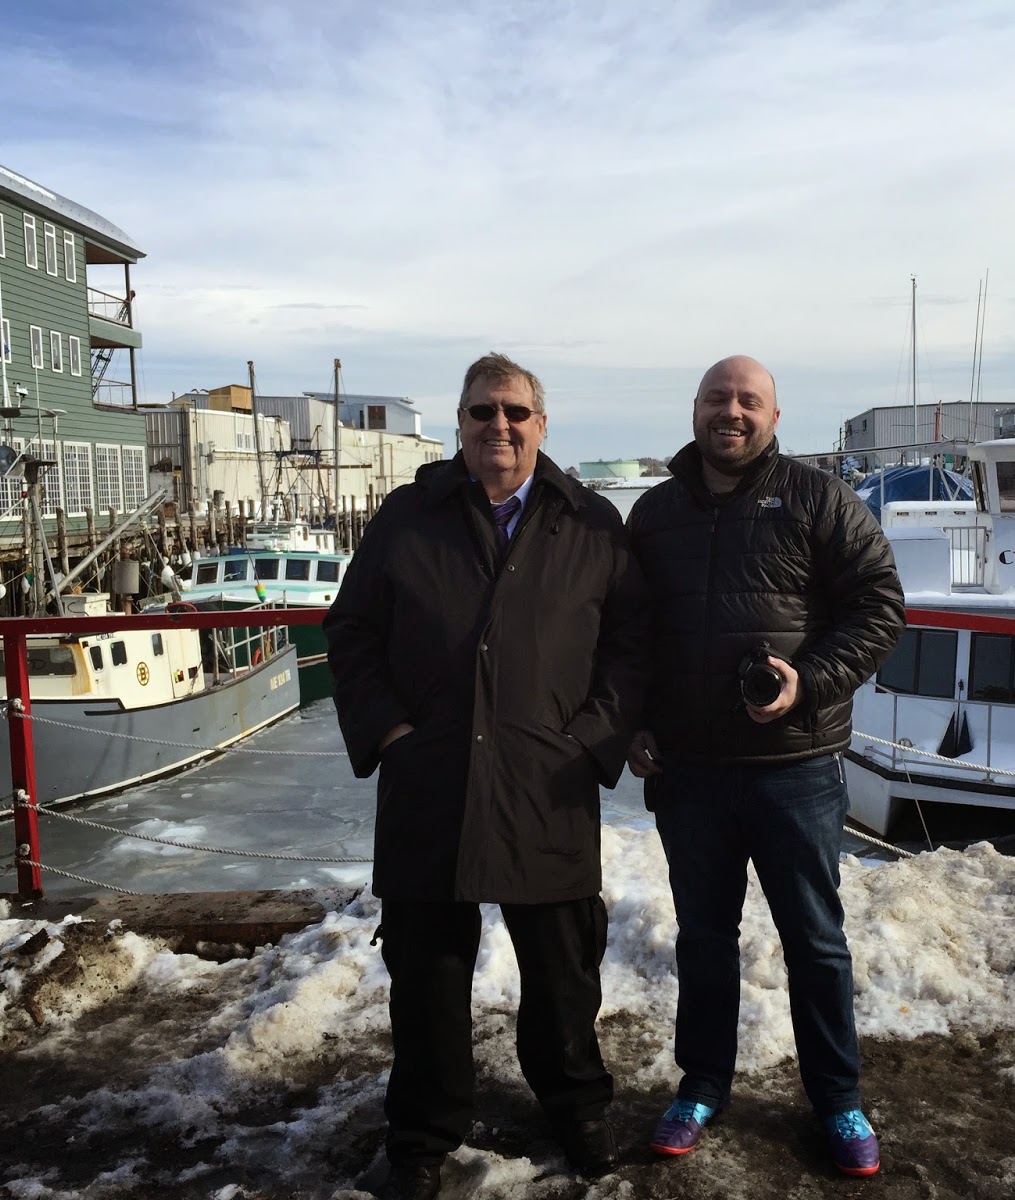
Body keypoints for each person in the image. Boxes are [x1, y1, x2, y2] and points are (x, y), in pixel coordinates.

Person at [325, 353, 648, 1200]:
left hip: (547, 781)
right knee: (427, 976)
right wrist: (390, 731)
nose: (498, 426)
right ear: (460, 423)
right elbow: (351, 633)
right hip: (430, 777)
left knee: (563, 968)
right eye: (481, 412)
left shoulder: (589, 523)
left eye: (514, 411)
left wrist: (589, 741)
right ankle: (422, 1135)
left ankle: (577, 1108)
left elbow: (631, 647)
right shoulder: (409, 517)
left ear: (542, 424)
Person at [625, 354, 904, 1178]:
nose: (732, 412)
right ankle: (702, 1084)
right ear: (696, 410)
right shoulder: (655, 514)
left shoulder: (820, 499)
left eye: (749, 400)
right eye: (718, 398)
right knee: (704, 939)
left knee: (816, 942)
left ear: (774, 418)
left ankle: (837, 1098)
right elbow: (629, 633)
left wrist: (807, 681)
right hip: (689, 772)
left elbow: (880, 605)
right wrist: (634, 722)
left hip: (796, 767)